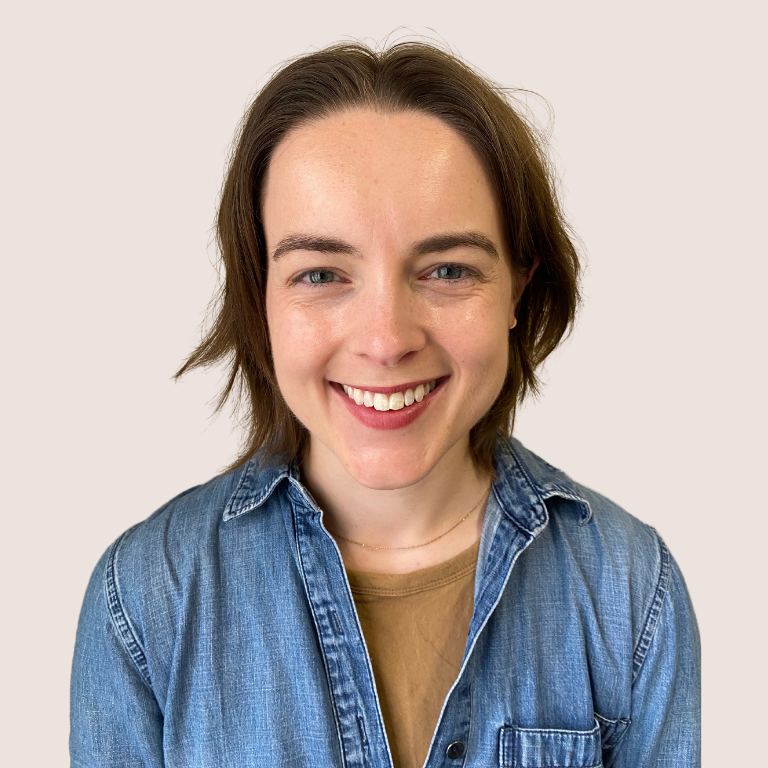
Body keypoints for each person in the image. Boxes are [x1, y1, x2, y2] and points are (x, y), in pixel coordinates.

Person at [70, 41, 701, 768]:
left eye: (447, 269)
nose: (386, 339)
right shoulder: (146, 599)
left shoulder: (630, 587)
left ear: (518, 292)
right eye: (321, 273)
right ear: (261, 297)